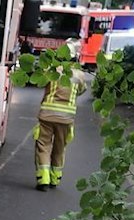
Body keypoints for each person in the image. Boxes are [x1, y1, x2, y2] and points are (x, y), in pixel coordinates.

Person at [32, 47, 89, 191]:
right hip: (66, 118)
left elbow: (40, 83)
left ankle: (43, 179)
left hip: (47, 115)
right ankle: (55, 179)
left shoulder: (52, 71)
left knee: (43, 146)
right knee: (59, 148)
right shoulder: (79, 75)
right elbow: (82, 91)